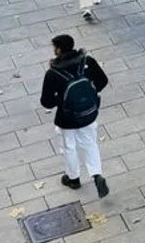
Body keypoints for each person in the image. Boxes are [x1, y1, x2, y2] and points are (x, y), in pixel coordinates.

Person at [40, 33, 109, 196]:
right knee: (90, 142)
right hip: (89, 113)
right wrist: (88, 94)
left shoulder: (53, 73)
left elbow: (47, 102)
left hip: (67, 118)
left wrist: (62, 99)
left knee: (69, 147)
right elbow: (102, 81)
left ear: (58, 49)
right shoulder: (88, 61)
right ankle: (96, 174)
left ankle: (73, 178)